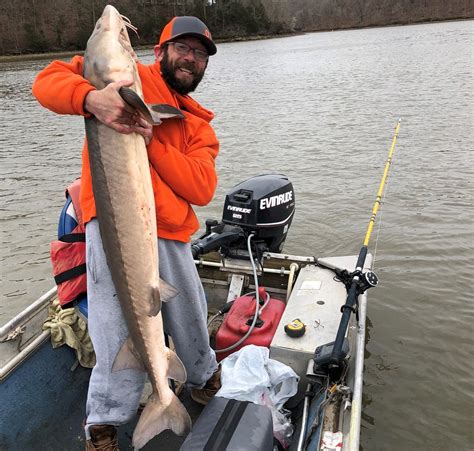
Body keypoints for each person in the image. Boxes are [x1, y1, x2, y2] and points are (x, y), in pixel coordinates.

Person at [32, 16, 221, 451]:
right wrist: (91, 100)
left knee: (190, 315)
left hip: (170, 234)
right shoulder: (122, 81)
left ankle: (201, 378)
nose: (190, 59)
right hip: (113, 227)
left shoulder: (199, 127)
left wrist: (151, 138)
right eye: (183, 48)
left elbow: (201, 186)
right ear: (158, 51)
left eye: (199, 54)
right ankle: (103, 426)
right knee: (113, 328)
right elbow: (46, 84)